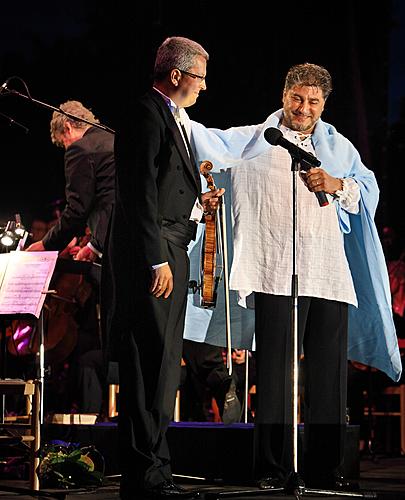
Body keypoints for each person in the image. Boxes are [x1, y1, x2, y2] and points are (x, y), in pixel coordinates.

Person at [189, 63, 402, 491]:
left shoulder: (338, 148)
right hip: (272, 272)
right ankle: (271, 467)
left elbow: (368, 191)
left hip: (326, 273)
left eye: (313, 101)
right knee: (273, 374)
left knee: (328, 375)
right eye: (297, 99)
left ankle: (328, 468)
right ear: (284, 96)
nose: (304, 108)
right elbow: (205, 148)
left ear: (324, 104)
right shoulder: (253, 140)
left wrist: (336, 182)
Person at [104, 36, 224, 499]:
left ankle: (158, 468)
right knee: (146, 363)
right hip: (151, 255)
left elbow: (167, 190)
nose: (203, 88)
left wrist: (198, 205)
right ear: (176, 75)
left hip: (172, 244)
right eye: (199, 78)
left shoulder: (168, 117)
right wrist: (157, 259)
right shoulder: (145, 113)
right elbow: (138, 194)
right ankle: (143, 473)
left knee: (162, 368)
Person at [25, 101, 115, 415]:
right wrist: (94, 246)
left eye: (63, 143)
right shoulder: (112, 139)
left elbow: (77, 211)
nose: (65, 148)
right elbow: (111, 201)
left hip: (112, 252)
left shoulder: (81, 149)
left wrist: (45, 245)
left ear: (67, 129)